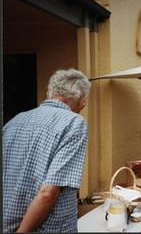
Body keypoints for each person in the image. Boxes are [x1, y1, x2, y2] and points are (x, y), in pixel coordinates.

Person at [3, 68, 91, 232]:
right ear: (82, 100)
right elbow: (47, 193)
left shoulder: (15, 121)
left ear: (49, 92)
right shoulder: (74, 123)